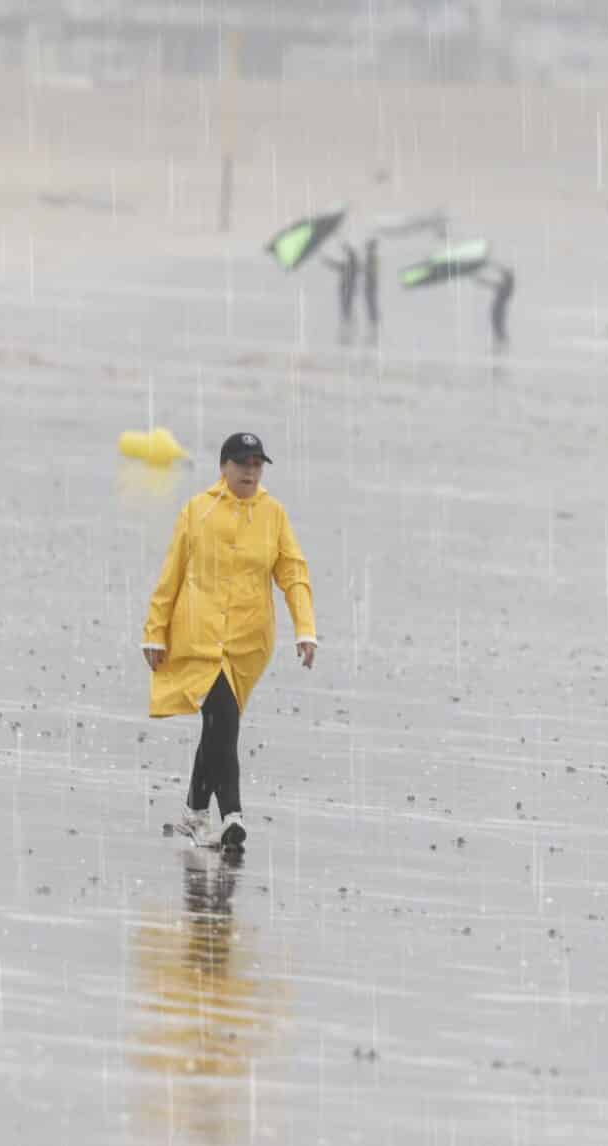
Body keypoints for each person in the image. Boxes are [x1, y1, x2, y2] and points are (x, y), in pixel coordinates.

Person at [143, 432, 316, 850]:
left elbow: (292, 573)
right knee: (222, 717)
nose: (250, 471)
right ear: (224, 467)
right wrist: (154, 630)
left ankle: (193, 812)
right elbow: (172, 574)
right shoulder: (197, 512)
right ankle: (233, 816)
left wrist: (305, 628)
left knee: (217, 726)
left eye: (257, 464)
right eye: (242, 463)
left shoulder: (273, 515)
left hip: (248, 642)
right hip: (198, 633)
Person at [323, 242, 358, 344]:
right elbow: (336, 265)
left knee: (347, 306)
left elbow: (351, 257)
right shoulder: (347, 265)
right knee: (345, 306)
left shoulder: (354, 265)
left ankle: (348, 322)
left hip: (348, 289)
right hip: (344, 289)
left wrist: (346, 248)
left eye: (349, 255)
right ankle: (347, 321)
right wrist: (327, 261)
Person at [479, 264, 515, 355]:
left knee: (498, 326)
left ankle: (502, 344)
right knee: (498, 326)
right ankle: (501, 343)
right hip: (499, 308)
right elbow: (502, 273)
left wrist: (481, 280)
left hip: (499, 308)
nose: (503, 277)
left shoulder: (506, 286)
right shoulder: (508, 285)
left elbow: (492, 284)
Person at [362, 237, 380, 343]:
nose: (367, 250)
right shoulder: (371, 258)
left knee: (371, 303)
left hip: (371, 284)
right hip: (370, 284)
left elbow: (372, 272)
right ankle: (373, 321)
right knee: (370, 303)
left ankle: (373, 322)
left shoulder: (372, 258)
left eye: (369, 248)